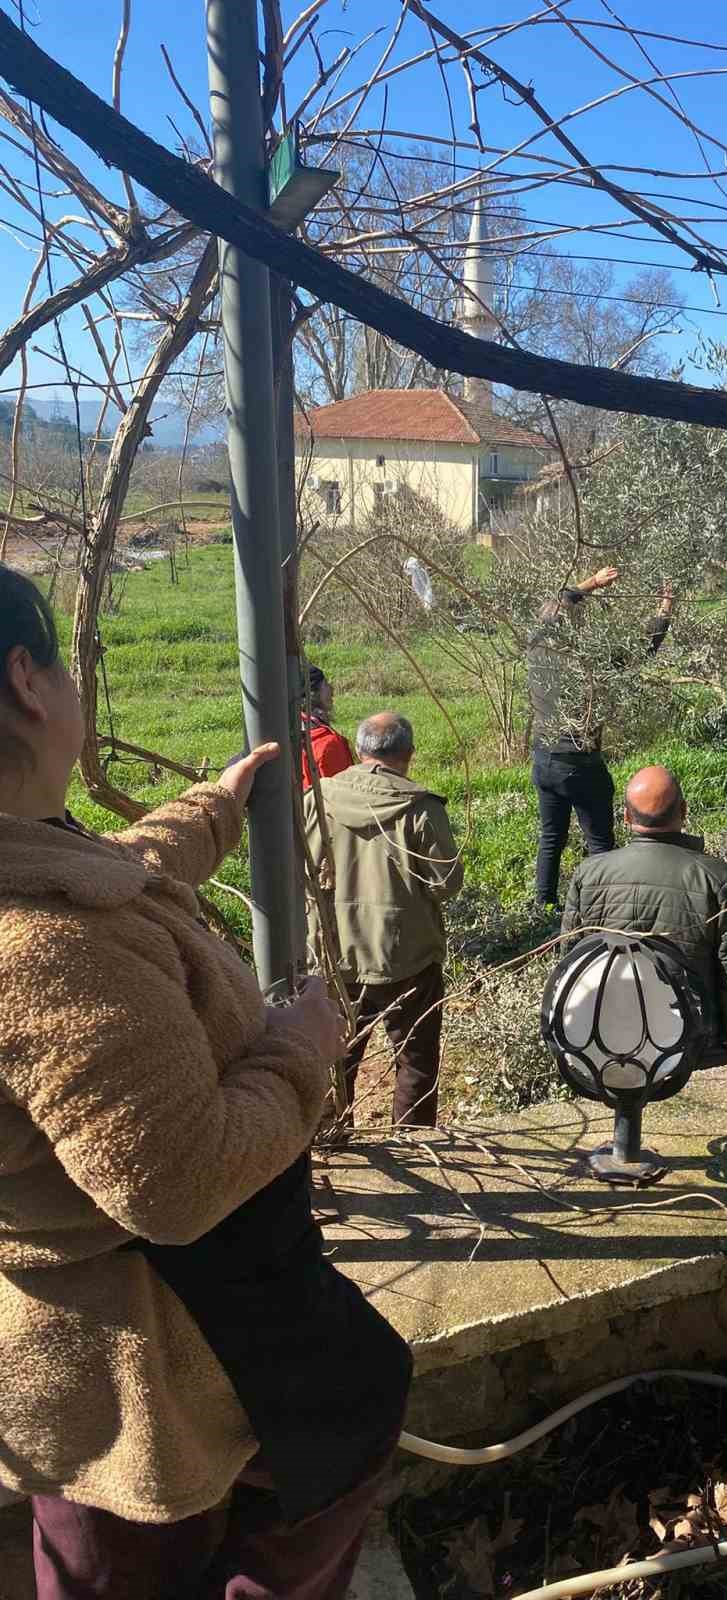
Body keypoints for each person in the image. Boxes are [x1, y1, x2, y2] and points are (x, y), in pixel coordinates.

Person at [0, 564, 412, 1598]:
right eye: (62, 659)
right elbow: (175, 1184)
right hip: (137, 1371)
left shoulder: (31, 875)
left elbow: (95, 880)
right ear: (27, 682)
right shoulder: (42, 952)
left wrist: (210, 812)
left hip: (93, 1350)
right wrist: (301, 1048)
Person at [304, 711, 463, 1130]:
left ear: (359, 751)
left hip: (333, 955)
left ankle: (330, 1138)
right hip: (406, 957)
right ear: (409, 752)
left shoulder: (320, 798)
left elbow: (295, 869)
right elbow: (446, 881)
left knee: (335, 1059)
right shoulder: (420, 807)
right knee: (415, 1062)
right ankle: (412, 1142)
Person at [561, 765, 727, 1066]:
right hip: (690, 1046)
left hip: (606, 1040)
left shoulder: (588, 874)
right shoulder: (718, 879)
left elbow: (571, 960)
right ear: (684, 810)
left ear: (626, 817)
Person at [527, 566, 674, 909]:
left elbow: (557, 602)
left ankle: (542, 906)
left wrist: (590, 583)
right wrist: (664, 610)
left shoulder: (536, 647)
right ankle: (601, 909)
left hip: (543, 760)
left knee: (551, 837)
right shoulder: (591, 660)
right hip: (580, 764)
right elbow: (641, 648)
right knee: (600, 844)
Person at [301, 663, 354, 789]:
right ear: (312, 693)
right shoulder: (328, 743)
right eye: (325, 685)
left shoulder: (283, 731)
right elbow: (342, 792)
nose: (331, 689)